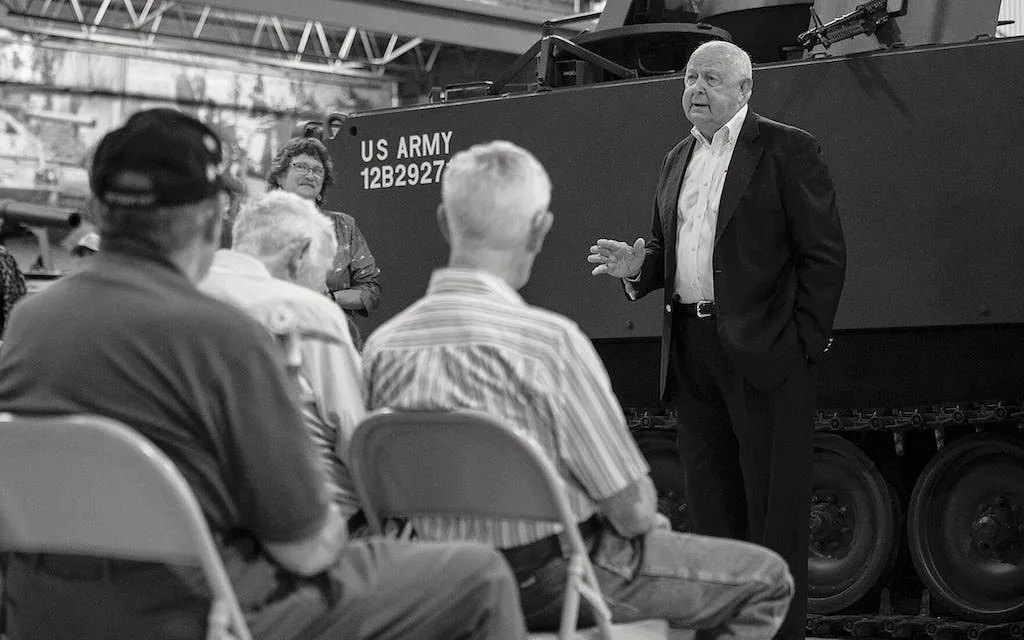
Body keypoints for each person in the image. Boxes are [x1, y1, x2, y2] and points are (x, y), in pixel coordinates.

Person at [0, 108, 526, 640]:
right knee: (478, 577)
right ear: (213, 217)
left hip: (45, 615)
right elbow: (307, 548)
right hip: (204, 613)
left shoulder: (26, 326)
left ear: (94, 211)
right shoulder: (227, 337)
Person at [363, 140, 794, 638]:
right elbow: (632, 511)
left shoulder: (381, 349)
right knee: (766, 579)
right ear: (539, 227)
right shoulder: (548, 345)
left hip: (435, 585)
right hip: (551, 581)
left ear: (444, 221)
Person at [587, 41, 847, 640]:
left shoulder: (787, 148)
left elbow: (824, 255)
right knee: (711, 512)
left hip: (768, 355)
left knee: (773, 514)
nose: (695, 89)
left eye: (709, 78)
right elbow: (666, 249)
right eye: (687, 79)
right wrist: (638, 267)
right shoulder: (675, 158)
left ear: (745, 89)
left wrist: (802, 343)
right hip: (692, 350)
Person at [199, 190, 364, 522]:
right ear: (298, 256)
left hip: (194, 525)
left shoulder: (177, 295)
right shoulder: (305, 311)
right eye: (318, 279)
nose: (318, 291)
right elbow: (359, 442)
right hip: (304, 529)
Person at [267, 136, 380, 349]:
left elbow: (370, 291)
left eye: (318, 170)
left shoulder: (343, 226)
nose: (311, 175)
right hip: (277, 339)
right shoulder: (260, 224)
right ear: (280, 176)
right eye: (301, 167)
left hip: (335, 340)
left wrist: (329, 298)